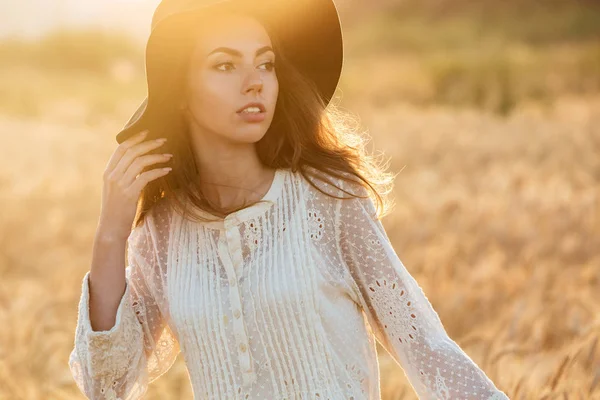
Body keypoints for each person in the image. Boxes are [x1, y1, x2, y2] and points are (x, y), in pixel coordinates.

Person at [68, 0, 511, 399]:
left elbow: (423, 343)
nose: (254, 83)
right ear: (179, 91)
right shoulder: (164, 232)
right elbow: (106, 386)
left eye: (265, 64)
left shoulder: (329, 200)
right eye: (225, 66)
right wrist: (112, 232)